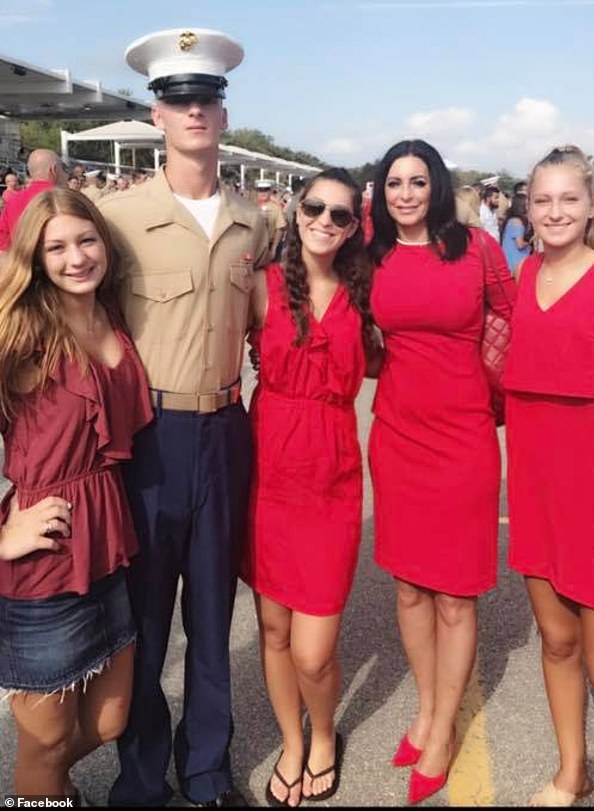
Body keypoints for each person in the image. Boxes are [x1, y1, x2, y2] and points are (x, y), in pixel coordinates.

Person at [98, 27, 269, 807]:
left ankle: (206, 770)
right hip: (150, 436)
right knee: (141, 620)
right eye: (178, 98)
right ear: (156, 116)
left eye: (207, 97)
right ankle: (140, 775)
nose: (195, 109)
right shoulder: (118, 219)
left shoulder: (253, 222)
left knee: (210, 613)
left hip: (226, 431)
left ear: (223, 115)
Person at [367, 139, 515, 804]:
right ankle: (428, 709)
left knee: (455, 594)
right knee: (407, 590)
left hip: (462, 439)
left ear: (436, 187)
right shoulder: (371, 254)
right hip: (397, 436)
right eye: (394, 182)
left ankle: (444, 723)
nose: (405, 193)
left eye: (417, 181)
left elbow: (520, 316)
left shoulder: (477, 248)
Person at [0, 189, 153, 799]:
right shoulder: (22, 331)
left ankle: (50, 791)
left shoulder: (110, 312)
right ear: (34, 258)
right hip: (45, 558)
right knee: (45, 738)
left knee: (110, 720)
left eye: (85, 240)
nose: (75, 258)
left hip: (109, 545)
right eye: (56, 247)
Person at [241, 167, 377, 807]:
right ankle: (291, 745)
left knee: (314, 650)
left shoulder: (369, 291)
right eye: (315, 207)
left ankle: (324, 734)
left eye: (340, 214)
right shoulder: (260, 287)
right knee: (273, 632)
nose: (324, 220)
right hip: (267, 477)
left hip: (330, 480)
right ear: (296, 211)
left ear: (355, 227)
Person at [503, 145, 594, 808]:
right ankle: (571, 770)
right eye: (543, 199)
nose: (554, 211)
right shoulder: (523, 276)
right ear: (528, 207)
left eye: (568, 199)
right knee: (556, 644)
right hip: (534, 492)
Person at [0, 149, 67, 253]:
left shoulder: (13, 202)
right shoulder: (65, 198)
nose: (66, 175)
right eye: (63, 169)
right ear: (54, 170)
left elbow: (3, 242)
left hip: (22, 263)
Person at [501, 193, 532, 274]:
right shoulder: (517, 222)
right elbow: (520, 244)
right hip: (516, 260)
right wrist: (530, 242)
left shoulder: (513, 220)